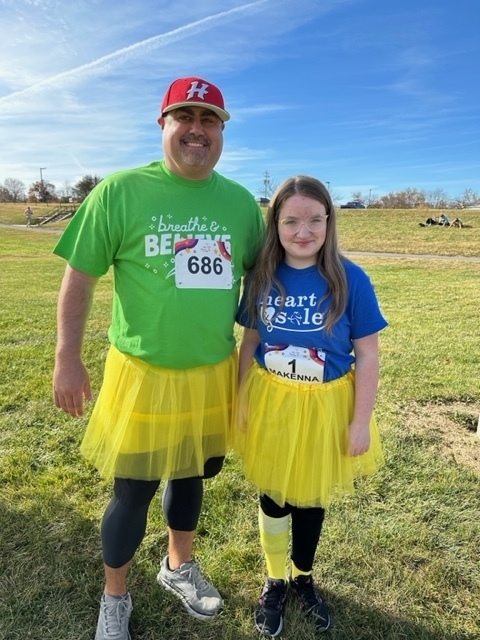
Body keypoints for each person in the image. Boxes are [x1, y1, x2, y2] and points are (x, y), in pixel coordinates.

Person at [52, 76, 264, 640]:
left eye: (209, 120)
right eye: (185, 117)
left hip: (210, 373)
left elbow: (264, 285)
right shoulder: (120, 192)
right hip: (142, 374)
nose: (197, 130)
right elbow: (80, 275)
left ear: (222, 130)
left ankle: (178, 565)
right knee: (133, 489)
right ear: (163, 125)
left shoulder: (242, 204)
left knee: (192, 474)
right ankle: (114, 598)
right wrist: (67, 358)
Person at [234, 176, 387, 637]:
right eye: (291, 220)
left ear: (329, 222)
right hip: (272, 401)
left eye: (315, 220)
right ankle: (275, 577)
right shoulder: (262, 278)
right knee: (276, 492)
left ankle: (303, 575)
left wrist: (360, 421)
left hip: (326, 405)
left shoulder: (350, 278)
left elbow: (369, 354)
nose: (304, 231)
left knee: (312, 494)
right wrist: (240, 398)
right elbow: (250, 342)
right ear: (275, 224)